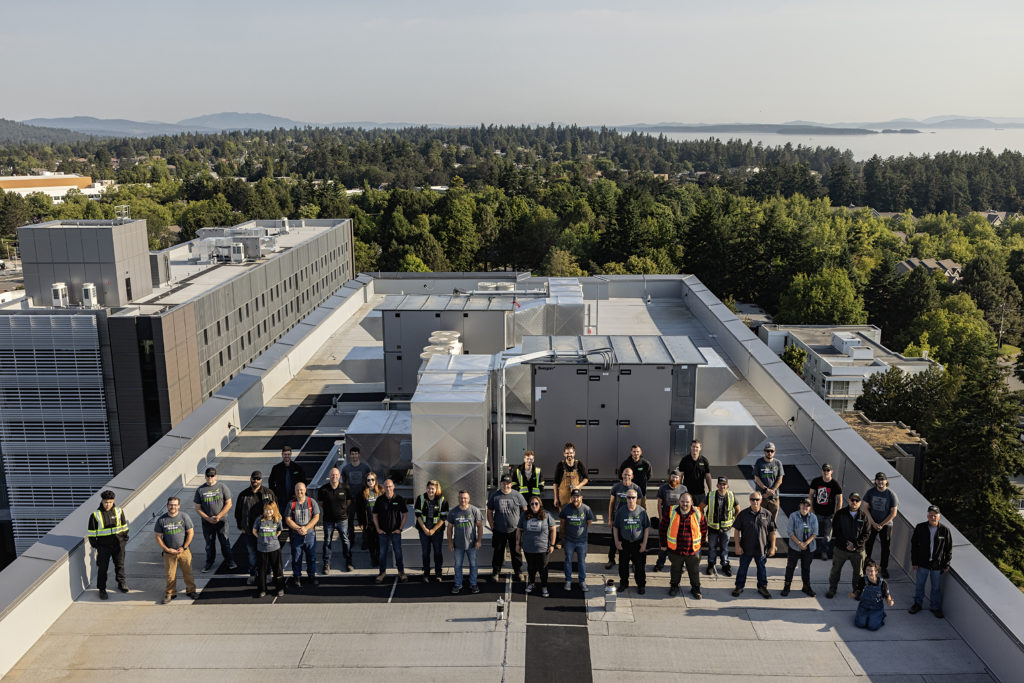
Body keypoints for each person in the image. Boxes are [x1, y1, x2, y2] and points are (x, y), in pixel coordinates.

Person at [234, 471, 277, 584]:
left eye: (258, 479)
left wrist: (275, 527)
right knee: (252, 555)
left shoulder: (269, 493)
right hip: (249, 531)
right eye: (254, 478)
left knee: (266, 554)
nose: (255, 481)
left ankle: (267, 573)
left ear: (261, 480)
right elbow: (237, 512)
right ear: (250, 479)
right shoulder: (243, 495)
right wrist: (240, 526)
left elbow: (276, 510)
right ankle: (253, 574)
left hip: (265, 531)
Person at [731, 492, 777, 599]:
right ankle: (739, 586)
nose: (755, 501)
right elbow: (736, 531)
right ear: (749, 500)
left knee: (762, 568)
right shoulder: (743, 514)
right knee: (743, 568)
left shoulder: (767, 514)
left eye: (757, 499)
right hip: (746, 548)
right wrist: (737, 546)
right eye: (752, 499)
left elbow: (772, 532)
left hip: (761, 548)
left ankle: (762, 587)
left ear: (761, 500)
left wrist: (772, 547)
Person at [909, 505, 952, 618]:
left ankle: (935, 607)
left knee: (936, 588)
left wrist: (946, 564)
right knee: (920, 585)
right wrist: (914, 562)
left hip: (937, 565)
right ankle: (917, 604)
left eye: (935, 515)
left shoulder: (944, 530)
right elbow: (914, 545)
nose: (933, 517)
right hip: (922, 563)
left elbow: (948, 549)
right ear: (927, 516)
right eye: (931, 515)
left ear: (939, 516)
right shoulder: (920, 527)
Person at [826, 492, 871, 599]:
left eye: (857, 500)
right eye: (852, 500)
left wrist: (855, 545)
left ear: (860, 503)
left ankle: (857, 591)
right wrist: (846, 544)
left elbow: (867, 533)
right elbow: (836, 530)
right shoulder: (840, 514)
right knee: (835, 570)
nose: (854, 502)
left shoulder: (864, 516)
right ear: (849, 500)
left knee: (858, 573)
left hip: (858, 551)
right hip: (841, 549)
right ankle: (832, 589)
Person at [87, 489, 129, 599]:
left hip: (119, 545)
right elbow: (91, 533)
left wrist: (124, 540)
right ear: (102, 501)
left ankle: (121, 583)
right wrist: (97, 546)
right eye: (105, 502)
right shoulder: (95, 515)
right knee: (102, 568)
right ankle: (102, 589)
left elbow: (124, 527)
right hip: (103, 547)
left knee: (120, 565)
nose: (108, 504)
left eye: (110, 502)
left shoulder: (119, 511)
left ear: (113, 501)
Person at [154, 497, 196, 604]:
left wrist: (184, 547)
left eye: (175, 505)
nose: (173, 507)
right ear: (167, 506)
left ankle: (191, 591)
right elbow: (158, 536)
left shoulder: (184, 517)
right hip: (169, 553)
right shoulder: (162, 520)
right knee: (170, 574)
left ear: (179, 506)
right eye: (171, 505)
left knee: (188, 573)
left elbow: (190, 533)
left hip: (184, 551)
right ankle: (170, 594)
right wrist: (167, 549)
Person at [666, 493, 708, 599]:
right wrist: (663, 544)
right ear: (679, 502)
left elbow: (703, 529)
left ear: (692, 503)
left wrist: (700, 544)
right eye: (683, 501)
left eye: (687, 502)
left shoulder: (698, 513)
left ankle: (696, 589)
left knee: (694, 571)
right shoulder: (671, 512)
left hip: (692, 551)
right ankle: (674, 586)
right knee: (675, 570)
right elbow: (663, 528)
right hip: (676, 550)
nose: (685, 504)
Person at [194, 467, 236, 572]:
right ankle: (209, 562)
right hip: (207, 523)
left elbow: (229, 503)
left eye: (212, 475)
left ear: (215, 476)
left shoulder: (222, 487)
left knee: (225, 542)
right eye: (208, 476)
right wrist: (208, 518)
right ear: (205, 477)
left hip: (221, 521)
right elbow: (197, 508)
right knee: (209, 544)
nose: (210, 478)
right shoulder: (200, 490)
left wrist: (219, 516)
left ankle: (229, 560)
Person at [487, 474, 527, 582]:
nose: (506, 486)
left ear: (511, 484)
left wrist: (522, 526)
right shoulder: (495, 496)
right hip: (499, 530)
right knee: (498, 552)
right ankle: (496, 572)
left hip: (515, 531)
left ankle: (518, 571)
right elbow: (489, 511)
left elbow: (525, 510)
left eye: (508, 483)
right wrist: (492, 526)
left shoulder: (517, 495)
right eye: (504, 483)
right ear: (500, 484)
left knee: (516, 552)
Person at [517, 495, 557, 597]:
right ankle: (531, 583)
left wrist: (552, 545)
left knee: (543, 568)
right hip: (528, 548)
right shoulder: (524, 515)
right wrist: (518, 544)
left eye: (536, 503)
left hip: (543, 548)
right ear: (529, 505)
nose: (534, 505)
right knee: (531, 567)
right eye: (532, 504)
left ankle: (544, 586)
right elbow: (519, 530)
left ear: (540, 504)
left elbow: (553, 529)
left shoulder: (547, 515)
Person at [613, 489, 651, 594]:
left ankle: (641, 585)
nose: (631, 500)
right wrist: (617, 542)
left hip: (637, 544)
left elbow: (647, 528)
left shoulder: (642, 511)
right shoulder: (621, 511)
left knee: (639, 566)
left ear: (636, 498)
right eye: (629, 497)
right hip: (624, 543)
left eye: (633, 497)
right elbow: (615, 527)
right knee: (623, 565)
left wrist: (644, 543)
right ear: (626, 499)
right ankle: (624, 583)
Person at [447, 490, 484, 594]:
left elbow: (480, 527)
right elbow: (449, 528)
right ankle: (458, 584)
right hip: (458, 545)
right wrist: (450, 542)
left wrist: (479, 540)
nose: (463, 500)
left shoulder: (475, 510)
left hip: (472, 544)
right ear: (458, 499)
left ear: (469, 499)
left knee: (473, 564)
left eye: (465, 498)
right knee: (458, 565)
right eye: (461, 498)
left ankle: (473, 584)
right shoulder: (453, 512)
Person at [863, 472, 899, 578]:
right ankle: (866, 566)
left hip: (886, 525)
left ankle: (884, 568)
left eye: (882, 480)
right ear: (875, 481)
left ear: (886, 481)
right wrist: (873, 523)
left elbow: (894, 512)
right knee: (868, 545)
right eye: (878, 480)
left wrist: (882, 524)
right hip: (872, 523)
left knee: (885, 547)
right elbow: (865, 508)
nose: (880, 482)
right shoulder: (870, 492)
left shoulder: (891, 494)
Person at [605, 467, 643, 569]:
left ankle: (634, 562)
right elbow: (611, 503)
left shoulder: (636, 488)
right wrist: (610, 519)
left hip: (630, 521)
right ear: (622, 475)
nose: (627, 476)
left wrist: (638, 522)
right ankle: (611, 559)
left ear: (632, 476)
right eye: (625, 474)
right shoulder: (616, 487)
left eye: (629, 475)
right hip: (617, 520)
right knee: (614, 541)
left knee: (631, 543)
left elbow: (639, 508)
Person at [559, 488, 595, 591]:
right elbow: (562, 522)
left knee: (582, 562)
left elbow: (589, 522)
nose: (576, 499)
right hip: (569, 540)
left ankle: (582, 581)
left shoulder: (586, 509)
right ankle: (568, 581)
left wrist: (581, 532)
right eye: (574, 497)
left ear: (581, 498)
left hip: (582, 541)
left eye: (578, 497)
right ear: (571, 498)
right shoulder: (566, 508)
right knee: (568, 561)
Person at [285, 482, 320, 587]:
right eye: (297, 490)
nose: (299, 492)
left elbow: (316, 516)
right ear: (295, 491)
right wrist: (298, 528)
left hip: (309, 535)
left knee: (311, 557)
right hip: (296, 535)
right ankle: (297, 577)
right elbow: (287, 519)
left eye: (301, 490)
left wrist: (306, 527)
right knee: (296, 557)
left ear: (305, 490)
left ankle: (311, 575)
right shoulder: (291, 504)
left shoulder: (311, 501)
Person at [317, 467, 352, 573]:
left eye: (336, 475)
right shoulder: (323, 489)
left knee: (345, 541)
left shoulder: (345, 488)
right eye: (332, 475)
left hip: (342, 520)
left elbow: (348, 501)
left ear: (339, 476)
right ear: (329, 476)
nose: (334, 476)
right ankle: (326, 563)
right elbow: (321, 503)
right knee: (327, 541)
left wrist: (341, 511)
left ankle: (349, 562)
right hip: (328, 521)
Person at [373, 478, 408, 582]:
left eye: (390, 486)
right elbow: (374, 515)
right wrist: (378, 529)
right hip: (383, 533)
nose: (388, 488)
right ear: (383, 487)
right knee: (382, 554)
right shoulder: (380, 500)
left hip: (395, 532)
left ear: (393, 487)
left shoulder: (399, 499)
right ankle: (382, 573)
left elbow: (405, 515)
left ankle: (401, 572)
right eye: (386, 486)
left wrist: (400, 529)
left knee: (398, 553)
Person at [782, 498, 818, 597]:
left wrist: (805, 543)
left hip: (809, 548)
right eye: (803, 505)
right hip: (794, 547)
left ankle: (806, 587)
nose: (805, 507)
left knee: (806, 568)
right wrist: (799, 543)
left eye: (807, 505)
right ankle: (787, 586)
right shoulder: (793, 516)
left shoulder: (813, 517)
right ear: (800, 505)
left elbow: (815, 533)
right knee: (790, 567)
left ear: (810, 507)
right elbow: (790, 532)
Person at [414, 480, 449, 582]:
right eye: (429, 488)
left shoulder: (442, 500)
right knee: (425, 552)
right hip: (423, 531)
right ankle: (426, 573)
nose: (430, 490)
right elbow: (418, 515)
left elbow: (443, 518)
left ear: (436, 489)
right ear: (426, 488)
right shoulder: (421, 498)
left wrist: (433, 530)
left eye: (433, 489)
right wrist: (424, 529)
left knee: (437, 552)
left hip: (437, 532)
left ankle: (438, 574)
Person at [705, 476, 739, 577]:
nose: (722, 486)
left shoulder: (731, 495)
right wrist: (704, 520)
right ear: (717, 485)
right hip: (712, 527)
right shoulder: (710, 495)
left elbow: (738, 509)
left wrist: (733, 521)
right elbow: (701, 507)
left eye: (724, 484)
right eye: (720, 484)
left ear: (727, 485)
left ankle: (725, 565)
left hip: (726, 528)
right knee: (712, 547)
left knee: (725, 547)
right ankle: (711, 564)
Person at [653, 469, 687, 572]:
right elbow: (659, 504)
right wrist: (661, 518)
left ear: (679, 479)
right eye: (673, 477)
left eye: (676, 477)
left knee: (679, 544)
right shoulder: (663, 488)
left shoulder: (683, 489)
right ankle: (660, 563)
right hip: (666, 521)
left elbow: (687, 504)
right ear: (670, 477)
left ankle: (680, 565)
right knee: (663, 544)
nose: (674, 479)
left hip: (679, 522)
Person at [808, 464, 843, 560]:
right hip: (817, 513)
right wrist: (811, 509)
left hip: (829, 514)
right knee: (813, 532)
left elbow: (840, 499)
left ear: (832, 471)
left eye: (828, 470)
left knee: (827, 536)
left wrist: (837, 512)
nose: (826, 472)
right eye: (824, 470)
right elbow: (810, 495)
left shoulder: (835, 484)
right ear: (822, 471)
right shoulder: (816, 481)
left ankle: (824, 552)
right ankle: (811, 550)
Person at [341, 447, 372, 550]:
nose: (354, 456)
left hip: (362, 499)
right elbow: (344, 483)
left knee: (364, 520)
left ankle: (366, 540)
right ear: (350, 455)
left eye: (356, 454)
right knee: (349, 521)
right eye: (352, 454)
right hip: (350, 499)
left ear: (359, 455)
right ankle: (351, 539)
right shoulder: (346, 469)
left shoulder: (365, 468)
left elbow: (369, 481)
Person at [253, 502, 285, 598]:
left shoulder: (277, 520)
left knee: (277, 569)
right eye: (266, 509)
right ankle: (262, 589)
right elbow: (254, 531)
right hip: (262, 549)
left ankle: (279, 588)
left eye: (270, 509)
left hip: (274, 549)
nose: (268, 512)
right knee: (262, 571)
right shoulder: (259, 520)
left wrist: (272, 539)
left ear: (274, 510)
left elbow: (279, 531)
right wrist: (261, 539)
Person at [851, 559, 894, 630]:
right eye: (867, 570)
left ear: (876, 572)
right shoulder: (862, 580)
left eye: (871, 571)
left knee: (872, 627)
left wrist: (890, 601)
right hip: (864, 606)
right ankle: (864, 616)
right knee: (859, 624)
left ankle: (882, 615)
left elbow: (887, 596)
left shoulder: (882, 583)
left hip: (876, 608)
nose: (869, 573)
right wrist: (854, 594)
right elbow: (858, 591)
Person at [753, 442, 784, 519]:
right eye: (767, 451)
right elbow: (756, 479)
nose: (769, 453)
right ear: (764, 451)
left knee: (772, 523)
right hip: (762, 497)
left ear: (774, 452)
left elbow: (780, 480)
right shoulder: (759, 462)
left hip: (774, 498)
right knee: (760, 520)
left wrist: (771, 491)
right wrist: (766, 490)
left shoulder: (778, 463)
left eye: (771, 451)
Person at [553, 442, 589, 508]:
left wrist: (579, 486)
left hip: (576, 498)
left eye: (571, 453)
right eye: (567, 453)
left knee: (577, 516)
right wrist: (556, 498)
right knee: (563, 517)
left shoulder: (579, 464)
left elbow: (586, 478)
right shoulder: (560, 465)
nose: (569, 455)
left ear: (574, 453)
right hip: (563, 499)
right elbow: (555, 483)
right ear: (564, 454)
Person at [677, 439, 712, 507]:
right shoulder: (685, 460)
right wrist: (680, 489)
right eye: (693, 446)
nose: (695, 448)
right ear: (690, 447)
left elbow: (708, 476)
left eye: (697, 447)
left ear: (700, 448)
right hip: (687, 492)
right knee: (687, 512)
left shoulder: (704, 460)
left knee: (699, 513)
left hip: (700, 493)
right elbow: (680, 475)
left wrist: (710, 491)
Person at [360, 475, 384, 567]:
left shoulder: (381, 491)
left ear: (375, 480)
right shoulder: (363, 493)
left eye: (372, 480)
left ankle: (378, 557)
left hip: (379, 521)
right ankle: (373, 558)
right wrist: (362, 522)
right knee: (371, 542)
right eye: (368, 480)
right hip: (369, 522)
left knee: (378, 541)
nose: (370, 482)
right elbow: (361, 509)